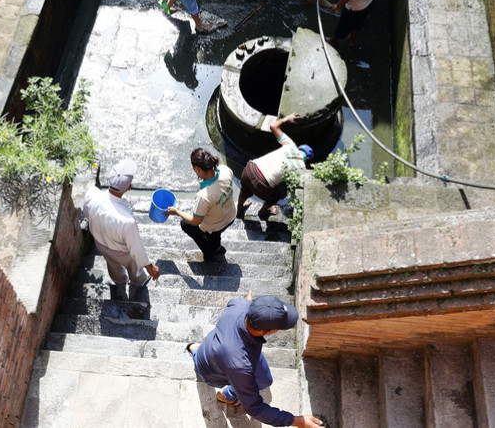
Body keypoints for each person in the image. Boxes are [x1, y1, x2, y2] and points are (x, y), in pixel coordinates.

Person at [187, 291, 324, 428]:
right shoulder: (240, 365)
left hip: (219, 345)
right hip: (212, 370)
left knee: (265, 380)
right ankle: (223, 394)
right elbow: (254, 408)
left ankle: (197, 349)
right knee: (200, 358)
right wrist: (297, 421)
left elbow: (246, 300)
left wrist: (249, 301)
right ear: (267, 332)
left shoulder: (239, 304)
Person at [82, 158, 160, 299]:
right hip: (122, 252)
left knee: (113, 265)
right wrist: (149, 267)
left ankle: (120, 282)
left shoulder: (92, 195)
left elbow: (87, 214)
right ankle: (138, 282)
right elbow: (136, 249)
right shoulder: (126, 221)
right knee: (134, 268)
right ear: (128, 187)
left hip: (101, 244)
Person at [237, 112, 312, 221]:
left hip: (249, 168)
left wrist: (287, 118)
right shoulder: (301, 168)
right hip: (260, 183)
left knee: (245, 190)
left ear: (300, 149)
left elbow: (273, 126)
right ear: (307, 159)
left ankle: (239, 208)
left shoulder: (291, 145)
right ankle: (263, 212)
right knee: (275, 196)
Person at [167, 148, 236, 262]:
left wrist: (176, 212)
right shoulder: (225, 170)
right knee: (216, 234)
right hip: (230, 215)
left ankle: (211, 251)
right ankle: (217, 247)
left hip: (215, 226)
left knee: (185, 224)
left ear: (198, 168)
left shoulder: (203, 196)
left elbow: (196, 221)